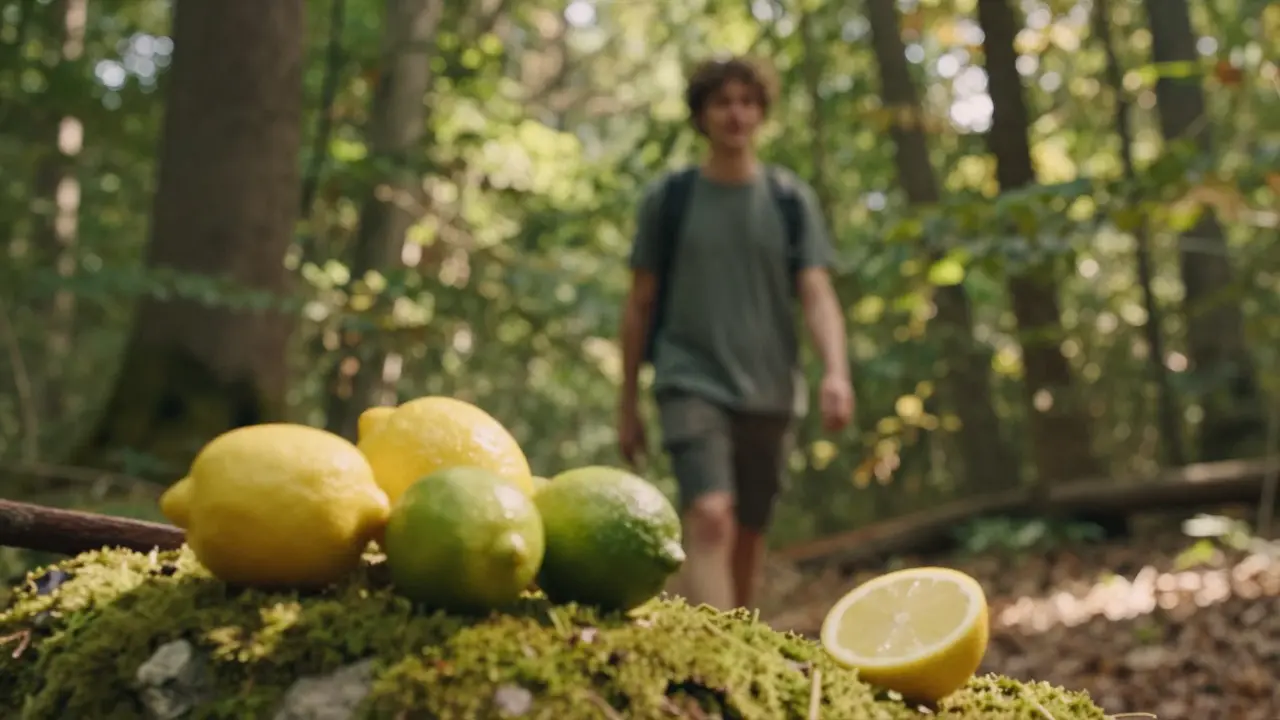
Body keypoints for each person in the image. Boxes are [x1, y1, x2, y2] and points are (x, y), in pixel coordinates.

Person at [616, 55, 854, 611]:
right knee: (710, 514)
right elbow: (639, 303)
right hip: (689, 376)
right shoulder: (668, 201)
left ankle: (743, 639)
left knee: (750, 528)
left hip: (770, 385)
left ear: (762, 112)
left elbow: (817, 295)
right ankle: (714, 660)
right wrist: (626, 402)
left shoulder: (789, 201)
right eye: (722, 102)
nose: (736, 114)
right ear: (701, 115)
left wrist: (836, 373)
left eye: (747, 102)